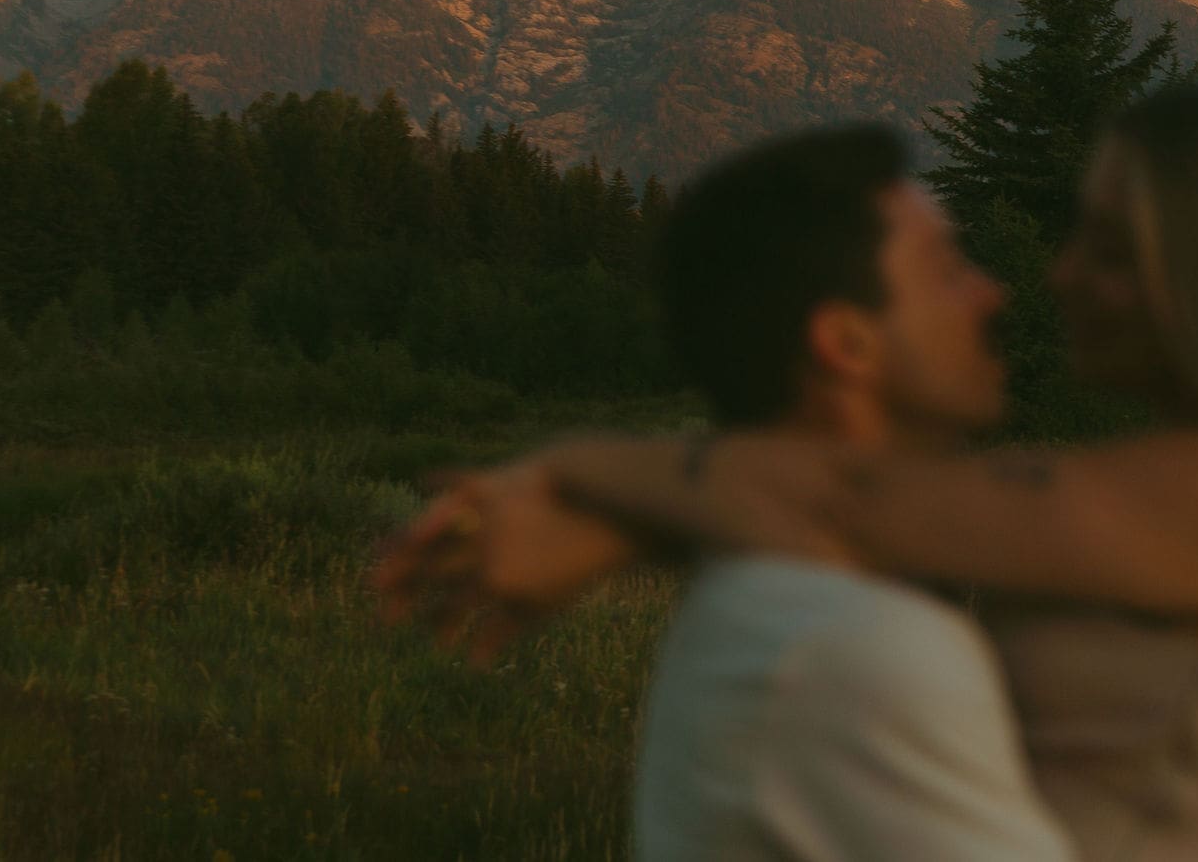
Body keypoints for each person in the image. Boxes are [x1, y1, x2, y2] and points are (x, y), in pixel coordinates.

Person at [377, 72, 1198, 862]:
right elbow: (855, 506)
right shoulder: (1183, 488)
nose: (1051, 277)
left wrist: (568, 474)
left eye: (1109, 249)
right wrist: (615, 519)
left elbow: (848, 498)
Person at [380, 124, 1075, 861]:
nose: (991, 294)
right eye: (946, 270)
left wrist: (607, 505)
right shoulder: (859, 651)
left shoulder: (784, 608)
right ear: (846, 343)